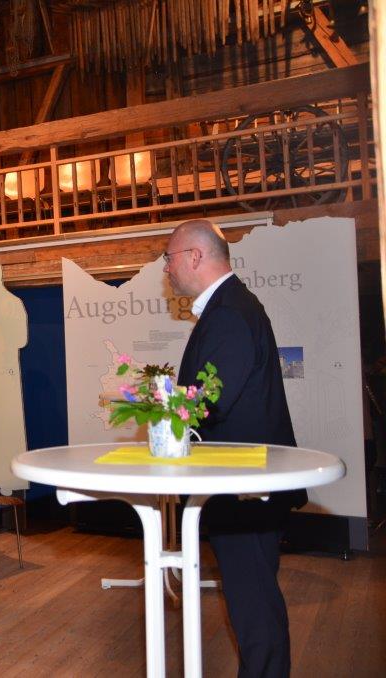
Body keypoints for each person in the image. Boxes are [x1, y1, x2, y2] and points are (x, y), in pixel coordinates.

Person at [165, 218, 303, 678]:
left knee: (254, 605)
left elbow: (210, 402)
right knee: (252, 600)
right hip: (244, 483)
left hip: (242, 487)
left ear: (195, 256)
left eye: (168, 257)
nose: (166, 268)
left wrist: (159, 405)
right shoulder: (232, 306)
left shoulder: (228, 313)